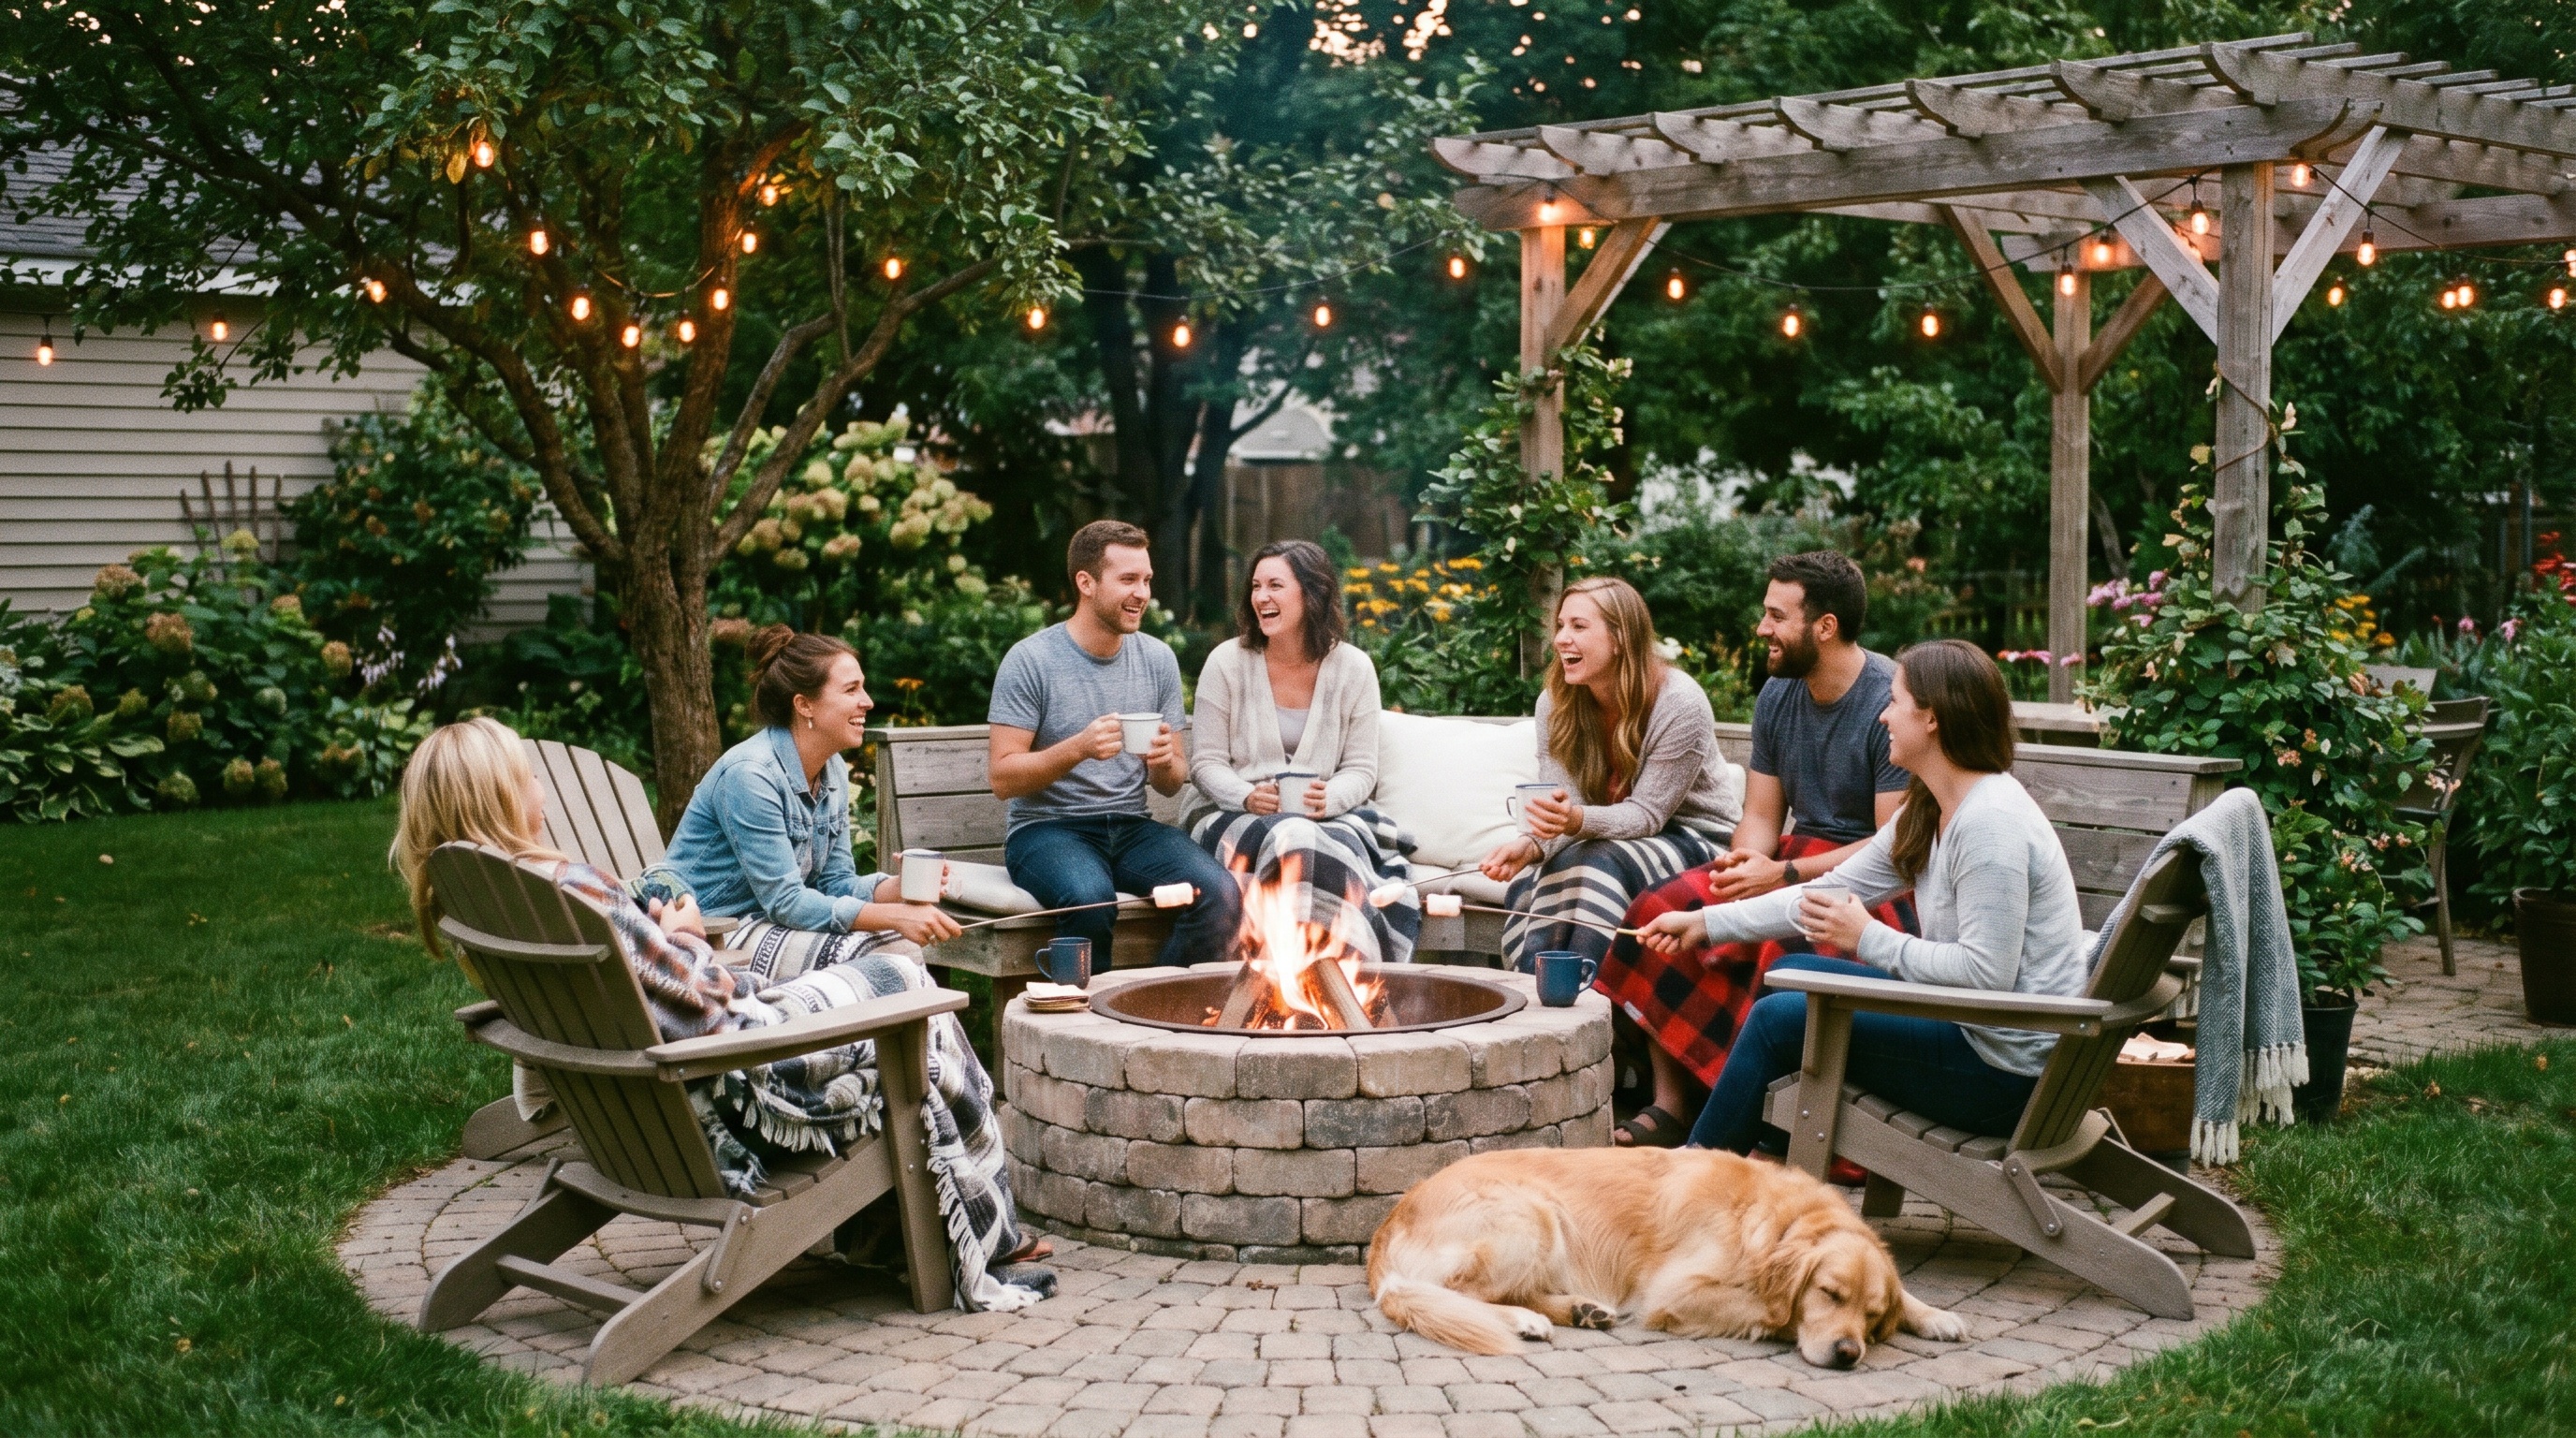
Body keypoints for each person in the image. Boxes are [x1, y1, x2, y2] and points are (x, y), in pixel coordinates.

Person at [390, 717, 1050, 1310]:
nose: (540, 786)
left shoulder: (488, 896)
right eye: (527, 777)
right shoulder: (577, 889)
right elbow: (705, 1002)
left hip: (633, 1112)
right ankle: (983, 1236)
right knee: (911, 987)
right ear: (502, 797)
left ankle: (892, 1235)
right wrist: (680, 936)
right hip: (739, 1089)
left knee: (892, 979)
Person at [1635, 639, 2083, 1153]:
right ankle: (1761, 1155)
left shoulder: (1990, 823)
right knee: (1791, 979)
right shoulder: (1930, 809)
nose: (1883, 717)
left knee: (1781, 1018)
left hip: (2002, 1073)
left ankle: (1696, 1177)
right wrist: (1705, 923)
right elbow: (1826, 892)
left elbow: (1987, 974)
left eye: (1894, 703)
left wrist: (1868, 936)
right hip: (1970, 1030)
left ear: (1932, 718)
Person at [1595, 550, 1918, 1147]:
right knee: (1660, 911)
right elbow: (1761, 815)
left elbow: (1889, 849)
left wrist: (1781, 873)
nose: (1761, 627)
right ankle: (1675, 1103)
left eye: (1777, 615)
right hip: (1789, 858)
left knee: (1774, 947)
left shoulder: (1888, 704)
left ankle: (1775, 1124)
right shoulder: (1778, 693)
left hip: (1871, 886)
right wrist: (1742, 864)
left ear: (1824, 627)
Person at [990, 520, 1242, 965]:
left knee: (1220, 894)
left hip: (1130, 827)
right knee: (1090, 900)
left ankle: (1156, 1011)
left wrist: (1164, 761)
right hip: (1047, 830)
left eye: (1146, 580)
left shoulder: (1157, 659)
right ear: (1085, 583)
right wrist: (1078, 748)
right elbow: (1003, 778)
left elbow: (1171, 783)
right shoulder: (1030, 660)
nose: (1142, 593)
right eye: (1128, 580)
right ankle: (1077, 1028)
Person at [655, 626, 966, 978]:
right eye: (851, 690)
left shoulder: (831, 767)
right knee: (891, 948)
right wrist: (894, 915)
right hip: (715, 933)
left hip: (773, 924)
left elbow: (836, 882)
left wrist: (898, 888)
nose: (868, 701)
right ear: (805, 705)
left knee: (893, 947)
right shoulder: (751, 775)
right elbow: (787, 902)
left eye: (862, 687)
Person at [1480, 576, 1741, 974]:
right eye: (1561, 626)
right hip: (1601, 836)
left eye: (1579, 627)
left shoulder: (1678, 702)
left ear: (1620, 638)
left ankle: (1587, 998)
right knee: (1542, 874)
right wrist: (1532, 845)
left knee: (1596, 862)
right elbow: (1561, 803)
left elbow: (1647, 816)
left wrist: (1576, 821)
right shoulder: (1556, 703)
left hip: (1697, 837)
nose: (1561, 639)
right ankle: (1540, 995)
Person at [1185, 538, 1418, 963]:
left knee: (1311, 837)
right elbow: (1205, 763)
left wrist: (1328, 799)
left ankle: (1329, 973)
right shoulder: (1226, 662)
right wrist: (1246, 795)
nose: (1261, 597)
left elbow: (1361, 769)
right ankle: (1314, 974)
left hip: (1328, 814)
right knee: (1294, 837)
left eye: (1275, 585)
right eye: (1256, 586)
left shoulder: (1353, 668)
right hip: (1231, 813)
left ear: (1312, 594)